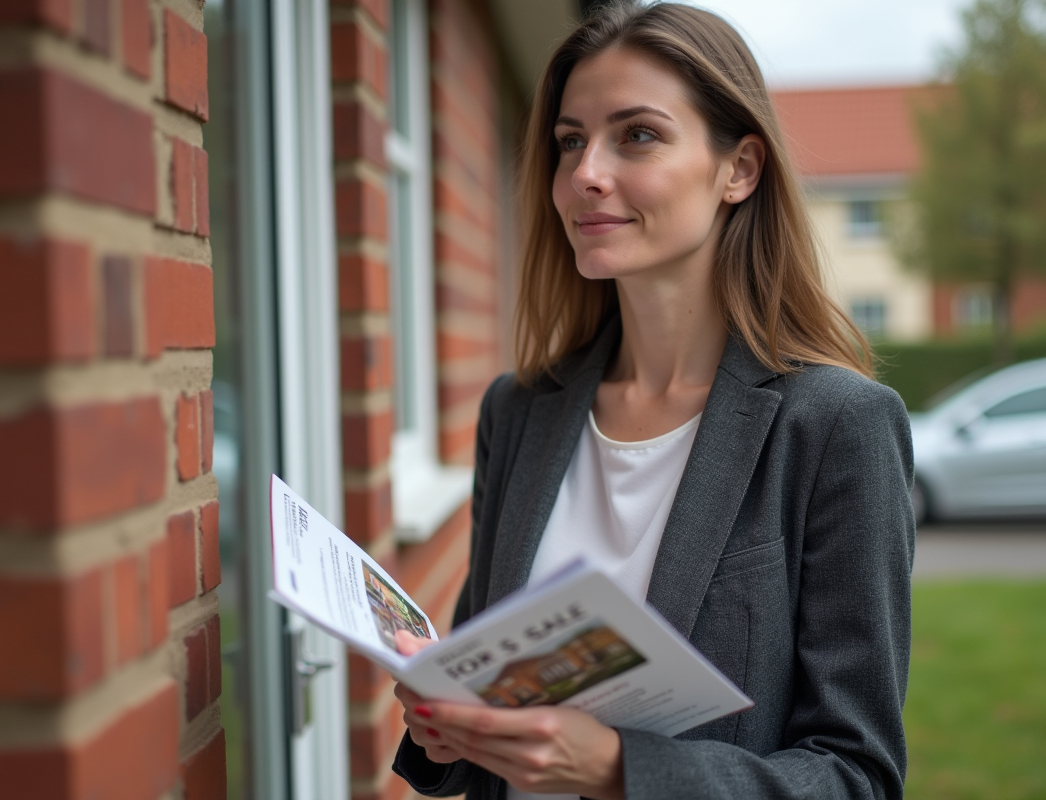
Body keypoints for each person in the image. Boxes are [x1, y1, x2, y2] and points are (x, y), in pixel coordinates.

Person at [391, 3, 914, 798]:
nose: (585, 174)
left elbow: (855, 774)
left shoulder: (837, 426)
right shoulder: (518, 412)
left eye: (637, 135)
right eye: (571, 141)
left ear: (739, 169)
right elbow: (482, 685)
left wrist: (614, 770)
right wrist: (447, 725)